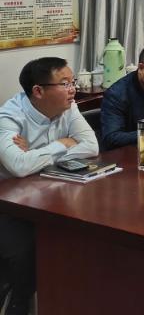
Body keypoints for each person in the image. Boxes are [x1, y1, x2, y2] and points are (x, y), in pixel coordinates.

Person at [0, 57, 99, 315]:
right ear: (38, 91)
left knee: (84, 236)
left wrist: (35, 153)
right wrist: (61, 144)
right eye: (65, 83)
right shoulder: (9, 116)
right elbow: (18, 167)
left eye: (72, 82)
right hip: (9, 205)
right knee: (27, 251)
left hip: (50, 193)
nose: (73, 89)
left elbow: (91, 147)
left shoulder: (68, 107)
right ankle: (17, 302)